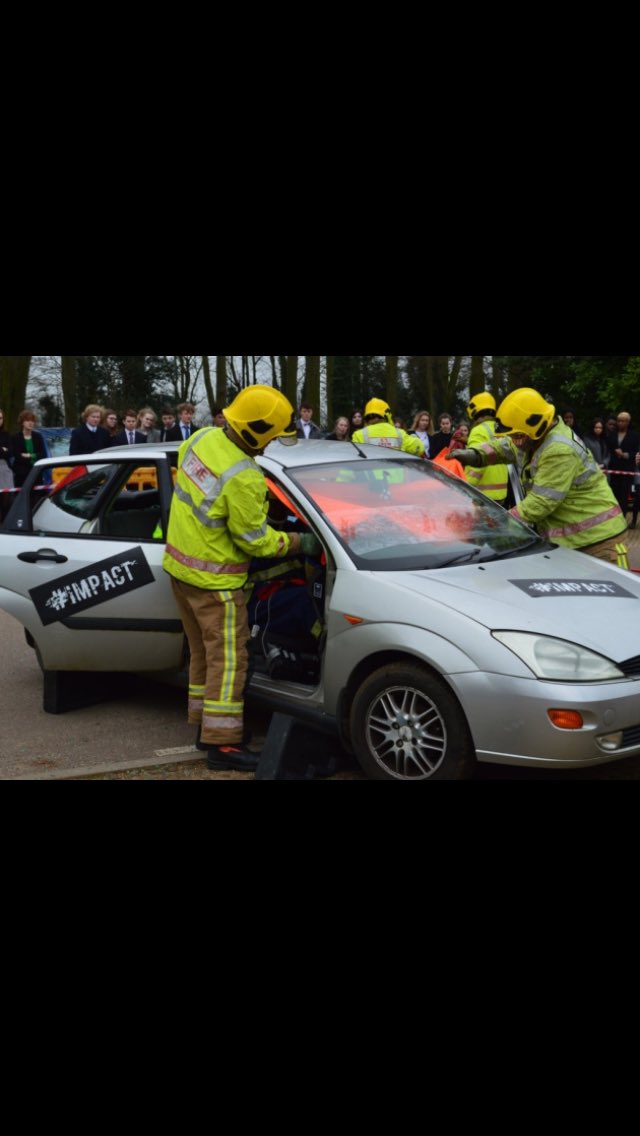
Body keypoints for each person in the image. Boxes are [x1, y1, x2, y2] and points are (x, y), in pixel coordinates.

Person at [162, 385, 321, 773]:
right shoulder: (245, 476)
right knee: (229, 662)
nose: (270, 448)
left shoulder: (200, 438)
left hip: (181, 572)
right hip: (216, 584)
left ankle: (206, 728)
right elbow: (257, 542)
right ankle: (224, 746)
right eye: (270, 438)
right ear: (254, 432)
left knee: (202, 654)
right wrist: (302, 542)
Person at [449, 388, 630, 566]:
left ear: (536, 426)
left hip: (600, 543)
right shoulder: (529, 437)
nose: (515, 441)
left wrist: (497, 522)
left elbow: (540, 503)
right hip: (572, 543)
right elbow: (502, 447)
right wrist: (474, 454)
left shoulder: (558, 449)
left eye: (518, 436)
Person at [463, 392, 510, 505]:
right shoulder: (501, 429)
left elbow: (476, 461)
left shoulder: (478, 430)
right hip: (501, 492)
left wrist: (465, 486)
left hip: (483, 494)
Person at [351, 399, 425, 456]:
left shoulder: (359, 435)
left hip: (368, 476)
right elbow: (420, 449)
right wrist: (414, 436)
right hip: (396, 476)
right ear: (387, 414)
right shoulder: (399, 433)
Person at [606, 411, 639, 520]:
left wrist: (625, 455)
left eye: (623, 421)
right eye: (618, 420)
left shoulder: (634, 436)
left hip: (627, 470)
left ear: (628, 422)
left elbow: (636, 452)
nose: (620, 423)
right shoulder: (611, 434)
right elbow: (607, 450)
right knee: (613, 494)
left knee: (624, 495)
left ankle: (622, 518)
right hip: (613, 469)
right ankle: (613, 518)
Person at [10, 410, 47, 488]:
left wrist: (30, 455)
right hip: (21, 475)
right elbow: (17, 456)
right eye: (27, 420)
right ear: (22, 422)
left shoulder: (38, 436)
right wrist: (35, 456)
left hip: (36, 473)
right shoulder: (15, 438)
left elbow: (43, 454)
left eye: (32, 421)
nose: (30, 423)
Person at [0, 408, 14, 490]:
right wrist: (3, 449)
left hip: (4, 468)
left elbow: (10, 453)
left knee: (6, 497)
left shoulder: (6, 435)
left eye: (0, 418)